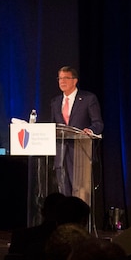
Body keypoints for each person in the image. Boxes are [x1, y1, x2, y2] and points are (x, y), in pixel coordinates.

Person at [49, 66, 103, 197]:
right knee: (63, 192)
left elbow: (98, 123)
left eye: (66, 78)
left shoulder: (88, 98)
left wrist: (90, 130)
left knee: (80, 193)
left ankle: (79, 217)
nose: (62, 81)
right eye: (60, 78)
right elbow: (53, 126)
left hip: (80, 152)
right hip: (60, 153)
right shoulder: (55, 102)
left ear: (75, 80)